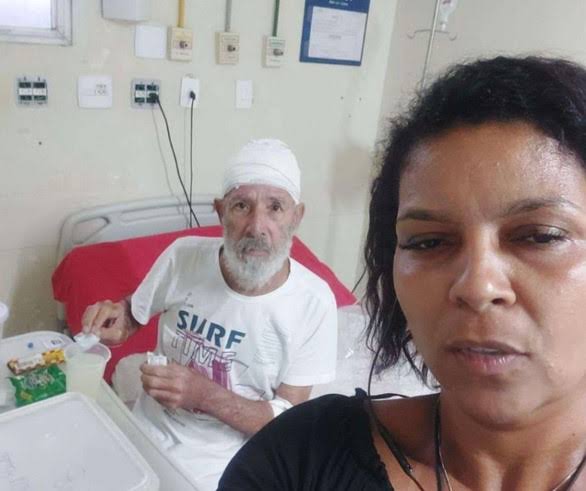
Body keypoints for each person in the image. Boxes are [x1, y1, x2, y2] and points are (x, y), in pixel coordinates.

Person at [218, 56, 586, 490]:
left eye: (541, 236)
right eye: (428, 242)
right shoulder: (297, 459)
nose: (477, 286)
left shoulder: (311, 299)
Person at [81, 138, 337, 490]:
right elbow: (130, 317)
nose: (257, 227)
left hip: (226, 467)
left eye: (275, 207)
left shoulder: (314, 304)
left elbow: (286, 425)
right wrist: (114, 319)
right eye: (241, 206)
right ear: (220, 212)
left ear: (296, 217)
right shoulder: (183, 257)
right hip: (143, 432)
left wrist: (203, 395)